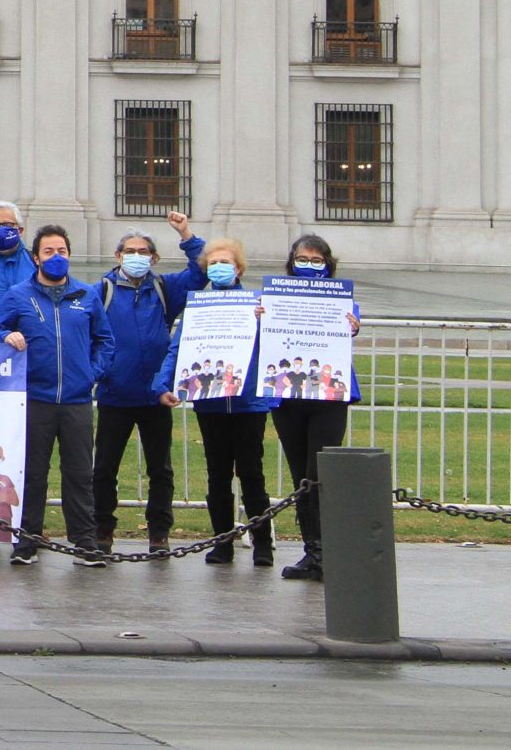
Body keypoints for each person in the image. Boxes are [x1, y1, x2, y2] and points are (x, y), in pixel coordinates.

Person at [0, 224, 115, 566]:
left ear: (69, 255)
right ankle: (27, 541)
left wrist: (92, 374)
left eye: (61, 251)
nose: (56, 257)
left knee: (79, 473)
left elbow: (104, 340)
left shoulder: (86, 295)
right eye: (49, 251)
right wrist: (7, 337)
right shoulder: (19, 295)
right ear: (36, 258)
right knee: (33, 472)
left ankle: (84, 542)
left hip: (76, 400)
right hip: (35, 398)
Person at [90, 212, 207, 556]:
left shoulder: (164, 288)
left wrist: (186, 233)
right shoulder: (101, 291)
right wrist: (101, 372)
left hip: (156, 395)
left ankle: (159, 532)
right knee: (105, 469)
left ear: (154, 258)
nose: (136, 256)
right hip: (115, 393)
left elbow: (199, 272)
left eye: (143, 251)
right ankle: (102, 528)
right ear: (118, 256)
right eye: (130, 250)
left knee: (161, 469)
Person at [157, 238, 276, 568]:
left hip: (248, 402)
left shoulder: (256, 304)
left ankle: (262, 541)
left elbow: (275, 348)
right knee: (217, 473)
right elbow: (177, 348)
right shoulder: (197, 306)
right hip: (210, 402)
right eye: (213, 263)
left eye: (226, 262)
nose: (220, 268)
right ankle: (222, 541)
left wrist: (265, 320)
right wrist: (163, 384)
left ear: (239, 268)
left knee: (252, 473)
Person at [267, 232, 359, 582]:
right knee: (301, 476)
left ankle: (329, 550)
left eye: (316, 260)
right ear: (291, 263)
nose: (309, 265)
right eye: (302, 260)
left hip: (328, 397)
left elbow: (351, 325)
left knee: (321, 472)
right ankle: (313, 550)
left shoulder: (340, 298)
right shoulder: (275, 297)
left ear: (327, 263)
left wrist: (352, 325)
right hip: (288, 397)